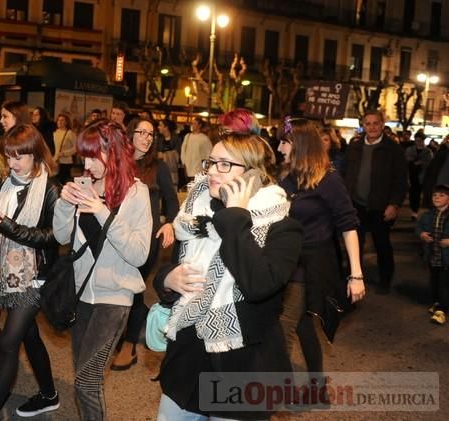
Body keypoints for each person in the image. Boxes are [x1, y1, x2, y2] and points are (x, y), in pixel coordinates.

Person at [155, 133, 303, 419]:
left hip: (241, 367)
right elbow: (174, 269)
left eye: (224, 164)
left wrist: (235, 215)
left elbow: (259, 284)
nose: (211, 170)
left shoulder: (283, 228)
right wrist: (166, 279)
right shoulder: (194, 217)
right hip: (186, 362)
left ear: (253, 174)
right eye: (211, 162)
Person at [53, 119, 152, 420]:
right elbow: (60, 237)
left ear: (114, 153)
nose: (87, 164)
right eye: (84, 156)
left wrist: (103, 212)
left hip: (115, 298)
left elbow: (139, 254)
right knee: (83, 378)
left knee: (86, 381)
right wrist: (64, 204)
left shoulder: (137, 193)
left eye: (93, 156)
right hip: (81, 294)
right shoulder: (85, 188)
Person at [0, 124, 61, 420]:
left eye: (19, 157)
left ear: (35, 155)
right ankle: (49, 394)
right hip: (8, 273)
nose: (12, 164)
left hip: (34, 277)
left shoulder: (51, 189)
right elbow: (0, 229)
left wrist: (7, 226)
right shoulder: (7, 183)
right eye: (8, 157)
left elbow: (53, 237)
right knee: (29, 337)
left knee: (8, 345)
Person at [277, 118, 365, 386]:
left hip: (313, 263)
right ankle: (317, 385)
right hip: (289, 259)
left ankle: (279, 389)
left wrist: (356, 274)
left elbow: (348, 226)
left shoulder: (329, 180)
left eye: (285, 142)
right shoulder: (290, 179)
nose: (279, 147)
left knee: (284, 324)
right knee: (303, 324)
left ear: (300, 145)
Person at [111, 118, 179, 371]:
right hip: (117, 234)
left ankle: (128, 345)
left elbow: (172, 201)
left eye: (151, 133)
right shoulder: (117, 164)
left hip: (146, 239)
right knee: (117, 285)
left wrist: (170, 223)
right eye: (141, 132)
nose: (147, 137)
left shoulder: (158, 166)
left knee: (136, 288)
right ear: (130, 134)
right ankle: (116, 335)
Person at [340, 110, 407, 294]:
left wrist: (394, 204)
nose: (372, 127)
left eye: (375, 123)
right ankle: (354, 276)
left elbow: (400, 180)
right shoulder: (354, 147)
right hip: (355, 205)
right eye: (368, 123)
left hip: (381, 206)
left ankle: (385, 280)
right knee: (354, 244)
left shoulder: (393, 149)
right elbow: (344, 173)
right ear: (364, 126)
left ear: (383, 125)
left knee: (382, 244)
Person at [416, 184, 449, 325]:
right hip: (432, 256)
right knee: (434, 281)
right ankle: (437, 302)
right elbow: (418, 228)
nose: (437, 197)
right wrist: (422, 234)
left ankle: (442, 311)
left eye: (442, 195)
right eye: (435, 195)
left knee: (443, 283)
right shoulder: (428, 215)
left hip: (446, 258)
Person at [405, 132, 432, 220]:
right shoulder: (410, 150)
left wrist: (420, 163)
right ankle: (414, 211)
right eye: (416, 140)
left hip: (422, 176)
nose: (418, 142)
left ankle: (416, 212)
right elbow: (406, 162)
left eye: (420, 140)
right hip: (411, 175)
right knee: (412, 194)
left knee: (419, 193)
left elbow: (429, 164)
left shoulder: (427, 151)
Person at [180, 117, 212, 185]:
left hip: (198, 168)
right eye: (192, 123)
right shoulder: (187, 136)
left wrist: (206, 168)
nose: (192, 125)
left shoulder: (204, 138)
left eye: (194, 123)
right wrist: (184, 162)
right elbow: (183, 149)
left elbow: (208, 153)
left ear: (199, 125)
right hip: (188, 167)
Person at [156, 119, 182, 190]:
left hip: (173, 172)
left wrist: (164, 155)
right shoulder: (159, 139)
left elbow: (177, 155)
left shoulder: (176, 139)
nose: (158, 127)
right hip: (161, 170)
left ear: (166, 127)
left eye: (160, 125)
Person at [53, 112, 76, 183]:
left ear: (66, 122)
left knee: (64, 182)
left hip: (66, 162)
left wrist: (64, 153)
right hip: (56, 161)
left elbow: (76, 148)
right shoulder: (55, 133)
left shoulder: (70, 133)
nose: (59, 122)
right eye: (58, 120)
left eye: (62, 120)